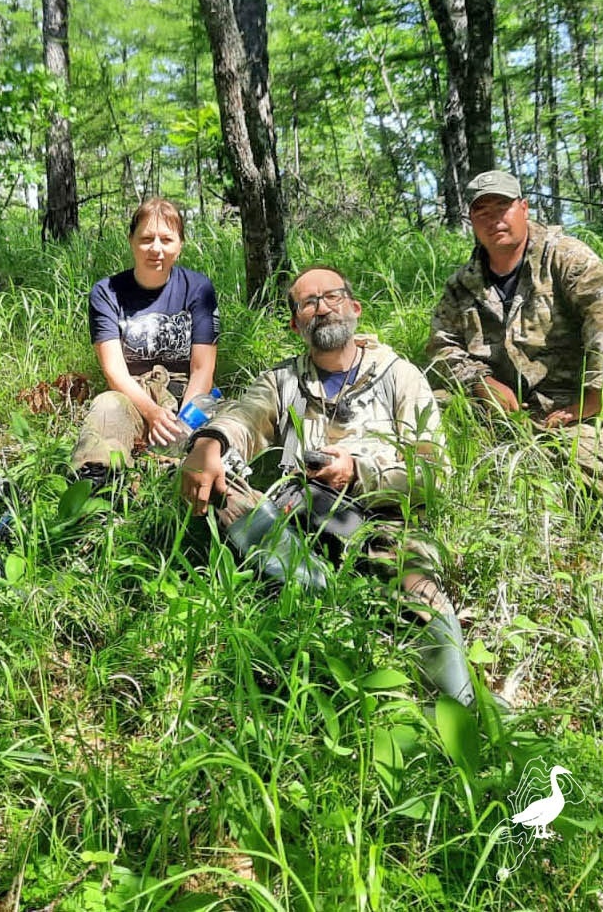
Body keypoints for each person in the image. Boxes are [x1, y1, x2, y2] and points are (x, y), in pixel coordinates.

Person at [179, 265, 478, 706]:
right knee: (216, 482)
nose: (322, 307)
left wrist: (358, 472)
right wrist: (209, 443)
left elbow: (434, 473)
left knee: (421, 594)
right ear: (295, 323)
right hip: (296, 514)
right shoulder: (281, 380)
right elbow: (243, 416)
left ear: (354, 308)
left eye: (332, 296)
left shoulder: (399, 375)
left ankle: (457, 706)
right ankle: (325, 591)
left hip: (382, 520)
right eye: (308, 302)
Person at [427, 170, 603, 502]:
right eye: (481, 212)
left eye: (502, 207)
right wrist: (479, 382)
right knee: (425, 415)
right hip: (497, 405)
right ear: (471, 220)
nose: (493, 219)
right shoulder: (463, 284)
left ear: (523, 208)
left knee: (582, 476)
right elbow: (442, 344)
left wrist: (594, 397)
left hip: (569, 403)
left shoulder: (565, 257)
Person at [70, 198, 220, 485]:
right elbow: (113, 370)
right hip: (130, 393)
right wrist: (151, 413)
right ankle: (96, 482)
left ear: (180, 244)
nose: (156, 249)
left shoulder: (199, 289)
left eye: (166, 239)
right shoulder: (107, 293)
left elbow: (203, 370)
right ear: (131, 241)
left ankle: (183, 481)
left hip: (185, 393)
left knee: (213, 437)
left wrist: (182, 424)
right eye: (146, 239)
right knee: (106, 407)